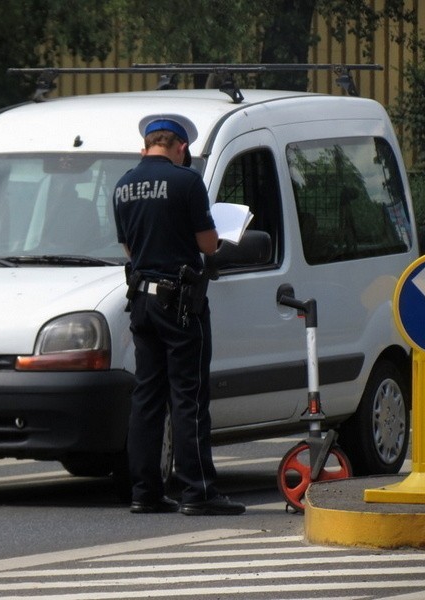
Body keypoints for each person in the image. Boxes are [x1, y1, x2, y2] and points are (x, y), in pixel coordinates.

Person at [113, 114, 246, 516]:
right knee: (187, 396)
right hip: (181, 303)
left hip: (141, 301)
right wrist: (218, 239)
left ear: (147, 145)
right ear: (181, 147)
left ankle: (145, 492)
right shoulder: (187, 182)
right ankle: (198, 491)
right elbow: (207, 244)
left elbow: (129, 251)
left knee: (147, 398)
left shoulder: (123, 186)